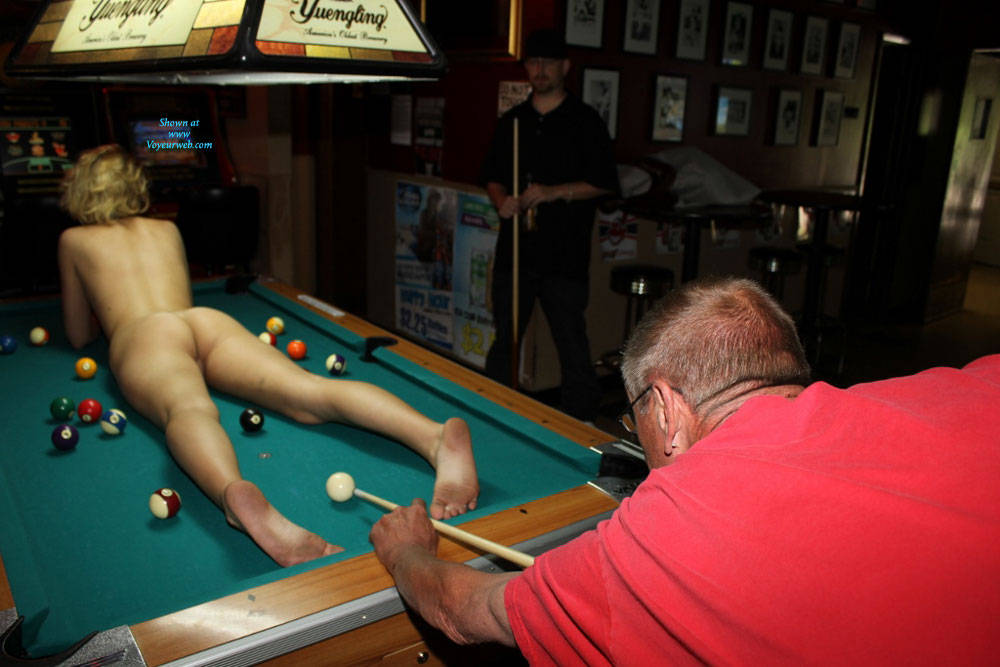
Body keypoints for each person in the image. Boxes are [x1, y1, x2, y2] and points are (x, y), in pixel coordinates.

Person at [370, 277, 1000, 664]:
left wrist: (406, 553)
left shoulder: (668, 531)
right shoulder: (970, 385)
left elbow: (469, 614)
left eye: (635, 418)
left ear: (667, 410)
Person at [57, 144, 479, 567]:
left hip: (145, 335)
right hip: (201, 322)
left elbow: (77, 335)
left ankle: (231, 492)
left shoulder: (74, 239)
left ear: (81, 190)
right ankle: (435, 436)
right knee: (308, 390)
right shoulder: (165, 229)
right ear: (136, 185)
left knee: (188, 409)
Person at [480, 28, 618, 422]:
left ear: (565, 67)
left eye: (548, 62)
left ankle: (582, 422)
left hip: (564, 255)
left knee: (571, 342)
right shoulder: (513, 121)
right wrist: (502, 201)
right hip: (516, 253)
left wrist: (553, 192)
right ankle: (492, 413)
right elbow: (491, 176)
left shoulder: (586, 122)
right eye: (533, 62)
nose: (539, 69)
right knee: (505, 340)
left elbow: (604, 183)